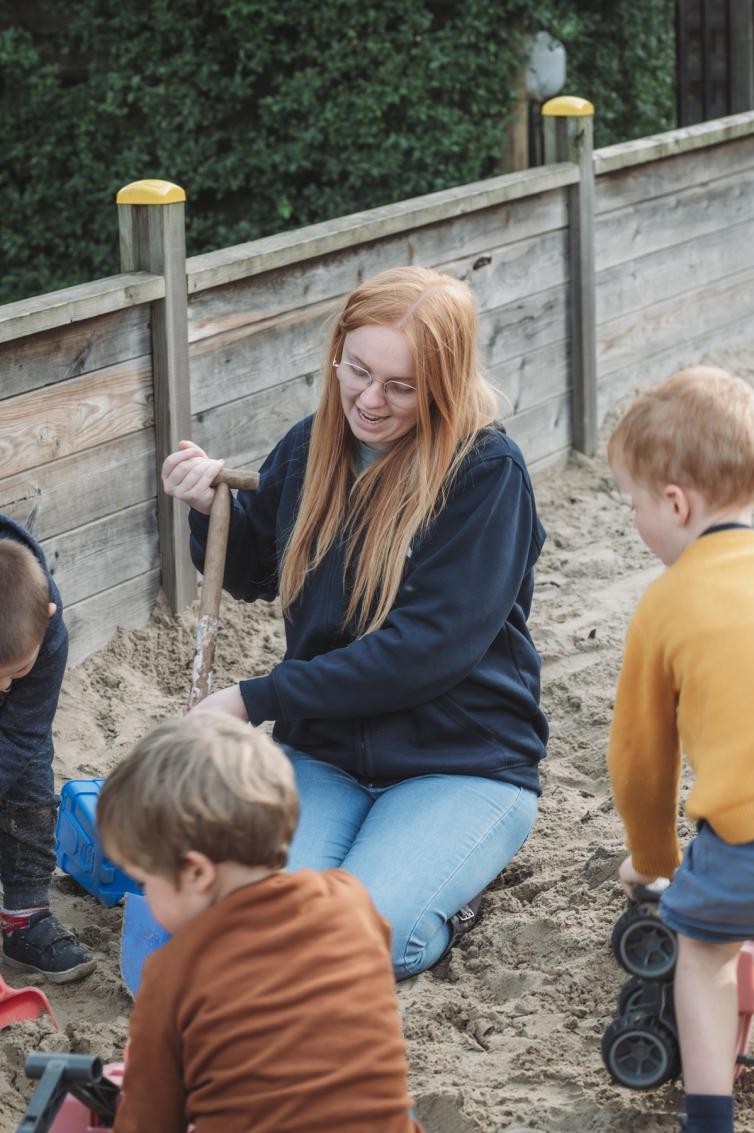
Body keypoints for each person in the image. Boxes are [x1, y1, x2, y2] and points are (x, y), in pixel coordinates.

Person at [162, 266, 548, 979]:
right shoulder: (312, 446)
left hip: (460, 760)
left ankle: (445, 901)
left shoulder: (486, 474)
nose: (370, 400)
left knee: (366, 937)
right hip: (326, 755)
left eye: (401, 387)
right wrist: (210, 509)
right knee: (263, 923)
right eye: (359, 371)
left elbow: (421, 652)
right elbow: (254, 572)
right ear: (338, 351)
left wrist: (254, 697)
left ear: (444, 384)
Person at [98, 712, 422, 1133]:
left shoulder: (173, 973)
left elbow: (148, 1122)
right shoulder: (351, 902)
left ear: (196, 872)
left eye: (145, 881)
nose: (146, 893)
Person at [606, 367, 754, 1133]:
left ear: (675, 503)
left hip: (743, 838)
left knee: (704, 949)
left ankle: (709, 1117)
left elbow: (641, 763)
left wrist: (654, 858)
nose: (634, 518)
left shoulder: (666, 601)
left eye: (631, 503)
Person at [0, 515, 94, 981]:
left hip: (24, 727)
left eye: (14, 671)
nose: (2, 686)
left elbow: (24, 733)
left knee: (30, 779)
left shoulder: (45, 626)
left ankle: (25, 918)